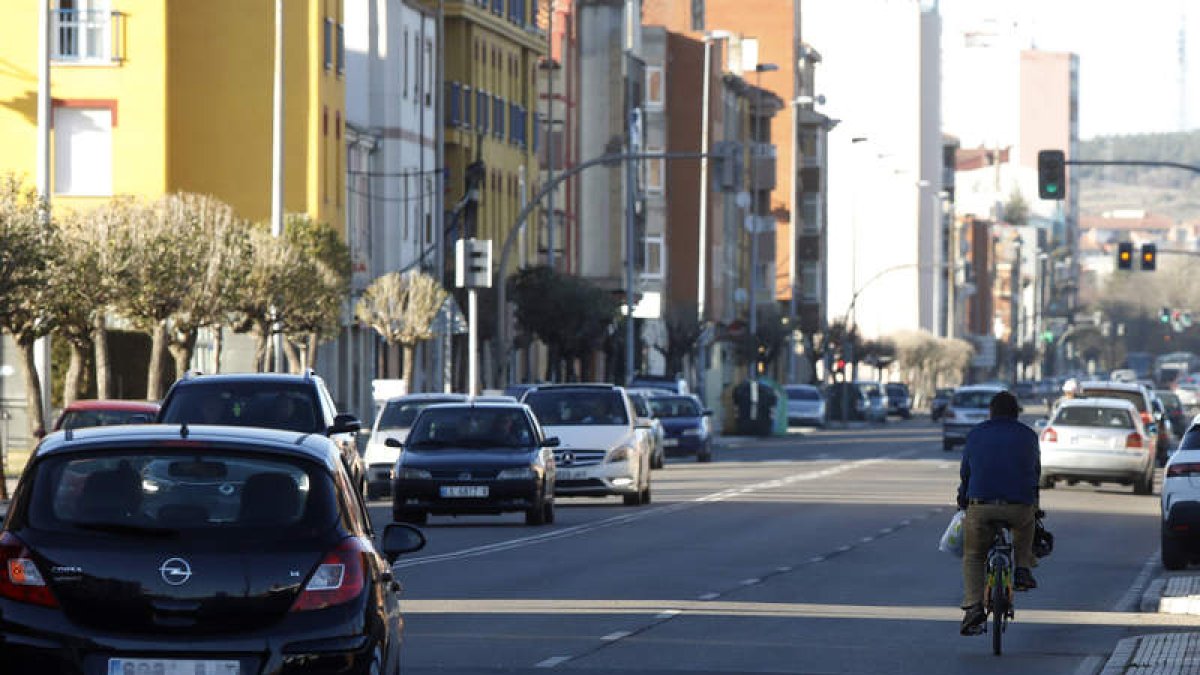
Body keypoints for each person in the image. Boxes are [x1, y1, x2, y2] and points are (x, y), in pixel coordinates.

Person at [956, 390, 1041, 636]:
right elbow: (1035, 473)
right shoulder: (1028, 436)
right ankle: (1022, 569)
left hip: (981, 506)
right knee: (1026, 526)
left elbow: (966, 473)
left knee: (973, 555)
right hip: (1019, 505)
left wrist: (963, 500)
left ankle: (973, 607)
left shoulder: (975, 434)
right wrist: (1034, 503)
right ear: (1016, 414)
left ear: (990, 412)